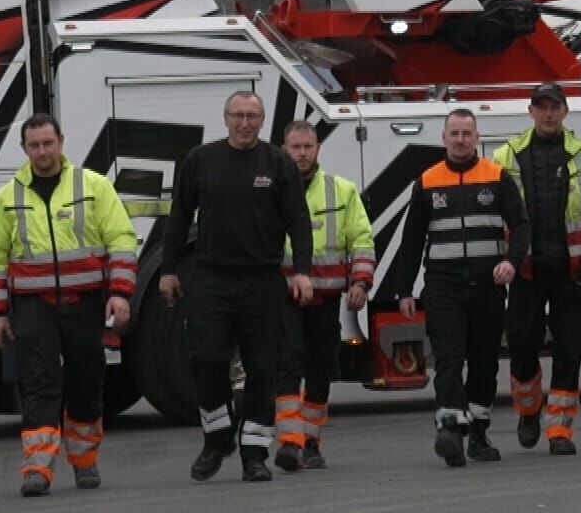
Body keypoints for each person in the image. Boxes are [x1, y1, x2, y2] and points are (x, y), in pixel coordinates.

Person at [161, 91, 315, 483]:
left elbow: (297, 219)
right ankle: (216, 437)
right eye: (238, 115)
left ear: (262, 121)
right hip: (211, 278)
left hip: (263, 281)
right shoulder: (200, 160)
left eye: (253, 116)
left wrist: (300, 270)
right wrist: (168, 269)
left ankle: (254, 455)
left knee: (264, 368)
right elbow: (178, 215)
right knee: (207, 359)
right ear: (225, 118)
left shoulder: (278, 163)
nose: (245, 123)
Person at [0, 114, 138, 497]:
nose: (42, 152)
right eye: (34, 145)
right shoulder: (8, 197)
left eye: (48, 143)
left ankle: (85, 461)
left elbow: (121, 239)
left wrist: (120, 292)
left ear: (61, 142)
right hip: (33, 306)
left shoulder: (94, 186)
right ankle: (37, 467)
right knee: (38, 382)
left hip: (86, 303)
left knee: (86, 381)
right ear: (24, 149)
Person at [386, 109, 529, 467]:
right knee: (448, 357)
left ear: (477, 137)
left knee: (483, 363)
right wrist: (404, 290)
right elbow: (412, 239)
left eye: (467, 133)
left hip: (487, 287)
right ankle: (450, 428)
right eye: (455, 133)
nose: (461, 140)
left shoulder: (497, 177)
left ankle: (478, 434)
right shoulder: (428, 180)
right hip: (443, 286)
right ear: (444, 137)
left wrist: (511, 261)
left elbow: (521, 225)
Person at [492, 83, 581, 456]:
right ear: (530, 112)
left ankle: (560, 430)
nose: (548, 114)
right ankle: (529, 410)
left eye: (555, 107)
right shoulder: (506, 156)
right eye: (542, 107)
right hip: (525, 274)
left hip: (571, 274)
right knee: (521, 346)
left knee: (570, 350)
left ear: (565, 112)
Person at [274, 120, 375, 471]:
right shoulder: (271, 190)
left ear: (318, 149)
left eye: (308, 147)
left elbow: (361, 238)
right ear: (284, 150)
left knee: (319, 367)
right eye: (295, 147)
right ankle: (289, 441)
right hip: (283, 295)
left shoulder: (341, 190)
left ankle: (312, 441)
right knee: (288, 359)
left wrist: (361, 281)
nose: (302, 153)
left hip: (327, 297)